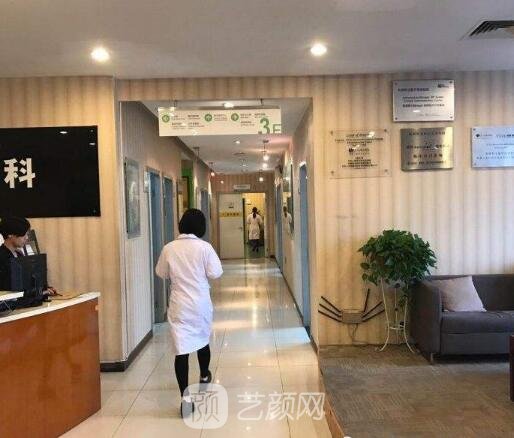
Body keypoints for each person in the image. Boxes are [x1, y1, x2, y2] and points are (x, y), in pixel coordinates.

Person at [155, 208, 223, 417]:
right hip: (200, 303)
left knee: (181, 350)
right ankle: (204, 375)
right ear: (201, 227)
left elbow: (161, 273)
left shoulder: (169, 248)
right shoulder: (205, 248)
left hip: (179, 305)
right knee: (202, 340)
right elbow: (216, 272)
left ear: (181, 225)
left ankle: (185, 400)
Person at [0, 216, 58, 297]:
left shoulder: (19, 254)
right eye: (24, 234)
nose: (27, 238)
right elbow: (10, 290)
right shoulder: (2, 258)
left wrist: (44, 289)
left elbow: (29, 281)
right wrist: (39, 293)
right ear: (10, 235)